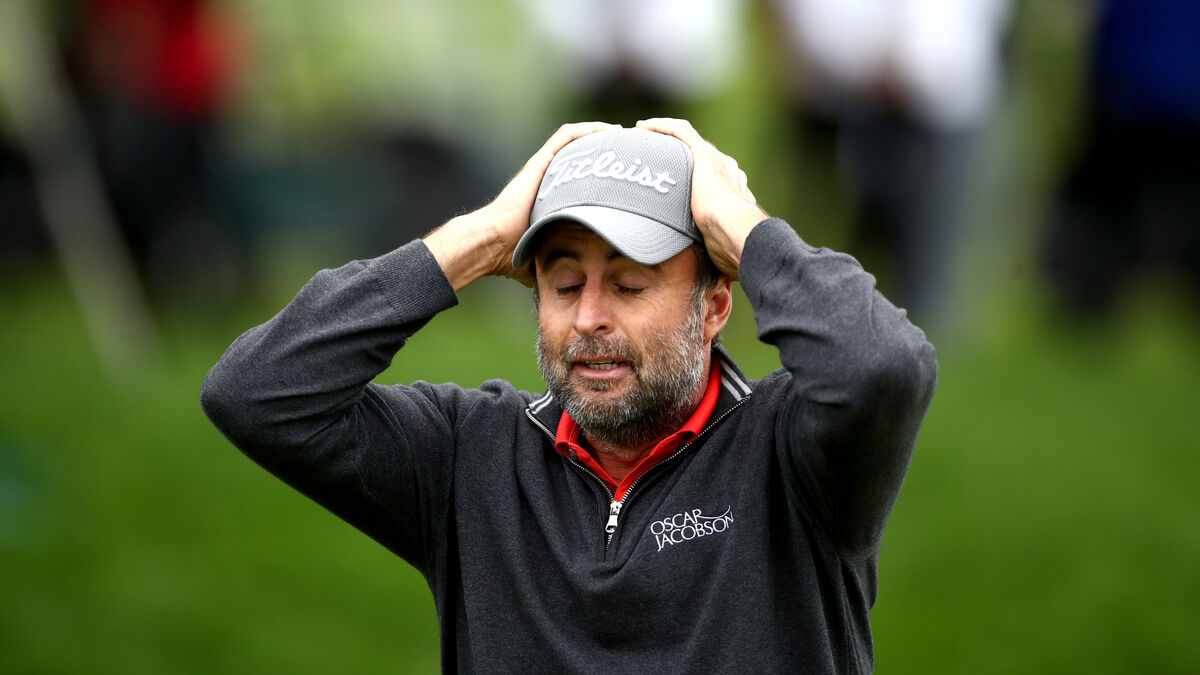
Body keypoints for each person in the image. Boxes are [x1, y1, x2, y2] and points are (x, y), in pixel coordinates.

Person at [201, 119, 938, 672]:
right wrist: (481, 236)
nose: (588, 317)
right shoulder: (468, 456)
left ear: (714, 308)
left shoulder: (796, 452)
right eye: (562, 283)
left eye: (628, 284)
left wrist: (742, 228)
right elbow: (256, 391)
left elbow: (881, 366)